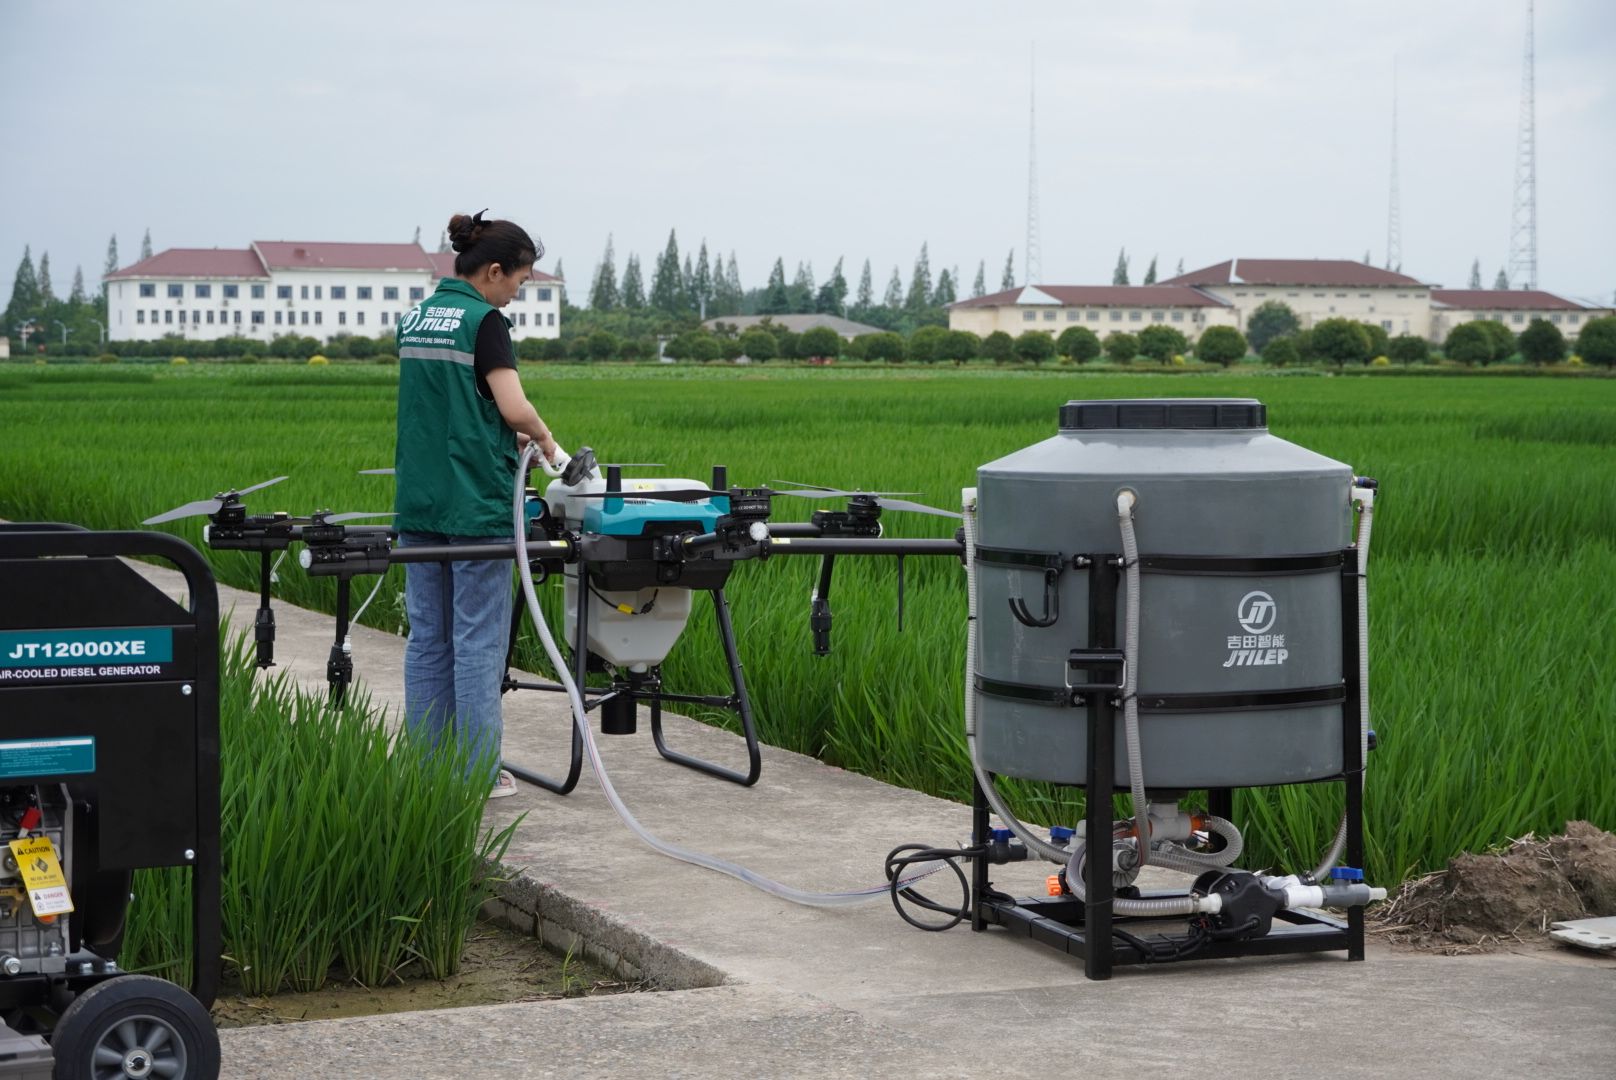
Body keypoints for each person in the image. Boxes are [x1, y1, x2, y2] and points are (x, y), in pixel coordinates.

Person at [394, 210, 560, 798]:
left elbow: (453, 411)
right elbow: (512, 406)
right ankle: (476, 775)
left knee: (428, 637)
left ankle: (427, 767)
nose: (516, 295)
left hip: (419, 502)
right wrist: (544, 440)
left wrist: (502, 436)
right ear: (493, 272)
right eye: (518, 281)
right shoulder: (484, 321)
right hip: (474, 508)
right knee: (477, 641)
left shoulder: (417, 319)